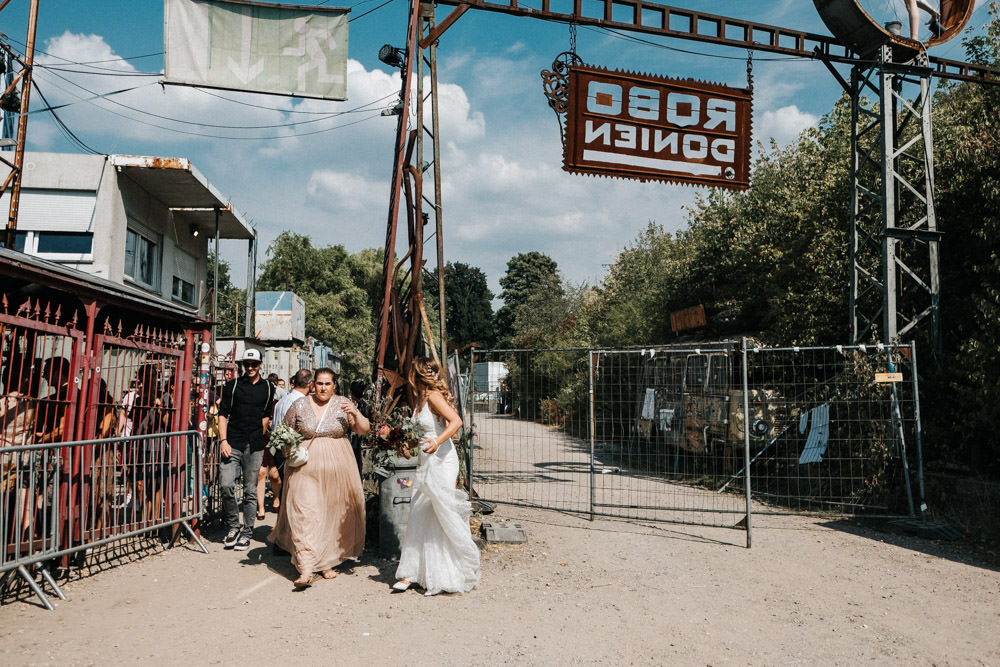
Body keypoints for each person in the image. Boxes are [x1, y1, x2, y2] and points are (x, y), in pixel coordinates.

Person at [269, 367, 369, 588]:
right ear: (313, 385)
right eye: (320, 383)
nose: (323, 388)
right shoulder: (299, 404)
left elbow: (363, 429)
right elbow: (284, 431)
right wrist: (286, 447)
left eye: (328, 384)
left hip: (338, 470)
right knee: (305, 513)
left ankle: (326, 561)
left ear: (334, 386)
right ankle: (305, 568)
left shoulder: (343, 404)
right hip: (304, 469)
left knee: (330, 515)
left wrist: (355, 412)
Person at [394, 357, 481, 596]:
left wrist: (436, 441)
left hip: (442, 460)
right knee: (421, 511)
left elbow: (456, 422)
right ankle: (416, 571)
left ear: (414, 375)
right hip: (426, 460)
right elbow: (424, 431)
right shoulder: (419, 399)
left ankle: (454, 568)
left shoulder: (433, 396)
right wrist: (407, 444)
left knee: (441, 511)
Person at [217, 349, 275, 551]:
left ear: (260, 364)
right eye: (246, 364)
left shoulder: (268, 387)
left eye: (254, 364)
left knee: (251, 490)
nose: (250, 368)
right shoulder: (232, 386)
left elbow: (266, 415)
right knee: (226, 484)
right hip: (232, 443)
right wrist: (223, 440)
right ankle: (234, 525)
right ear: (242, 365)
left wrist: (261, 432)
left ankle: (247, 531)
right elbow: (223, 414)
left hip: (255, 445)